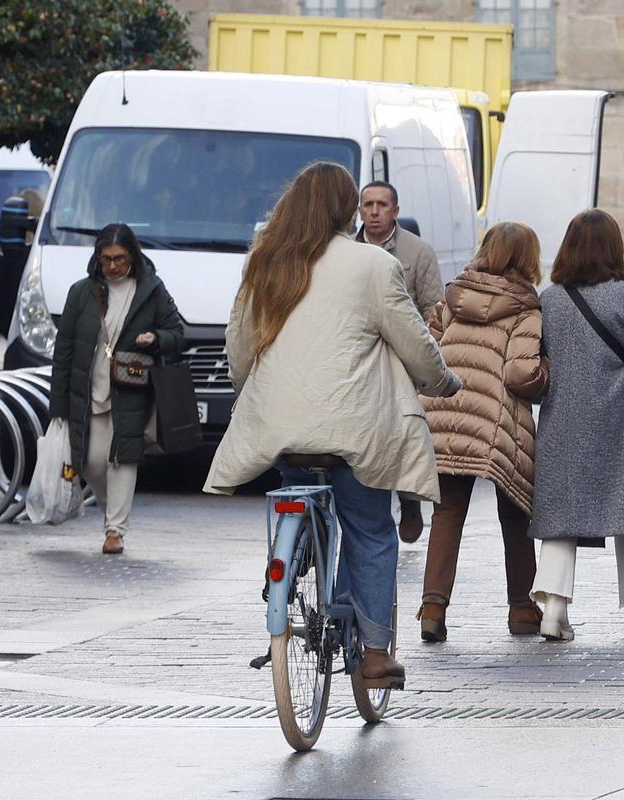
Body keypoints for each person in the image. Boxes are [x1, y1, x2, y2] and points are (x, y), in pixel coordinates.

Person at [204, 162, 461, 687]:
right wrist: (445, 383)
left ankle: (294, 555)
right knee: (370, 528)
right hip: (353, 431)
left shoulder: (266, 260)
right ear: (349, 210)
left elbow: (239, 346)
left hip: (282, 427)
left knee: (299, 489)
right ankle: (372, 653)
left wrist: (246, 392)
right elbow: (415, 343)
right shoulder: (371, 264)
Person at [529, 209, 624, 642]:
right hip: (621, 422)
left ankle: (553, 609)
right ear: (614, 247)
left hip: (563, 420)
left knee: (562, 513)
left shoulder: (550, 299)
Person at [417, 222, 549, 643]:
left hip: (445, 411)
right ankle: (522, 609)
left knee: (447, 511)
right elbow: (521, 371)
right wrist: (547, 377)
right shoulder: (526, 308)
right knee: (515, 512)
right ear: (527, 258)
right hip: (495, 420)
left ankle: (433, 608)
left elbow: (430, 350)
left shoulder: (452, 297)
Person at [50, 223, 184, 556]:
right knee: (92, 462)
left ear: (133, 257)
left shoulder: (151, 290)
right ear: (97, 258)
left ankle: (115, 530)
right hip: (88, 392)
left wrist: (156, 339)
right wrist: (57, 405)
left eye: (120, 258)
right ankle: (114, 505)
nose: (113, 265)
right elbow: (63, 349)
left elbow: (177, 332)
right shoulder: (81, 293)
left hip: (131, 390)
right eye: (106, 258)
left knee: (123, 459)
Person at [356, 180, 446, 544]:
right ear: (359, 211)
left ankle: (409, 499)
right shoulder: (346, 249)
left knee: (406, 429)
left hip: (403, 359)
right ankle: (369, 494)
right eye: (367, 205)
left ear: (395, 210)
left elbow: (434, 309)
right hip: (359, 357)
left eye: (381, 205)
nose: (374, 211)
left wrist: (420, 344)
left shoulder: (417, 252)